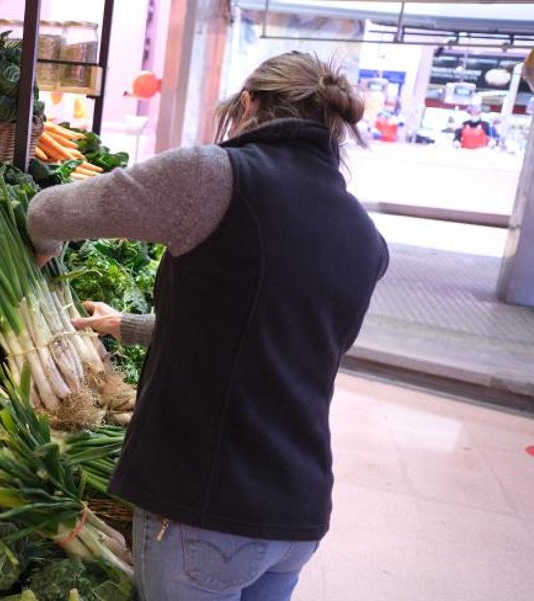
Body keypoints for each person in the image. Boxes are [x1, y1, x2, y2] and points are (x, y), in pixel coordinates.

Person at [27, 51, 389, 601]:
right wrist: (126, 326)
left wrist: (47, 242)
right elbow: (272, 338)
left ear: (248, 104)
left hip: (206, 506)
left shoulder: (215, 176)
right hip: (297, 510)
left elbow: (49, 212)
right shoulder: (365, 235)